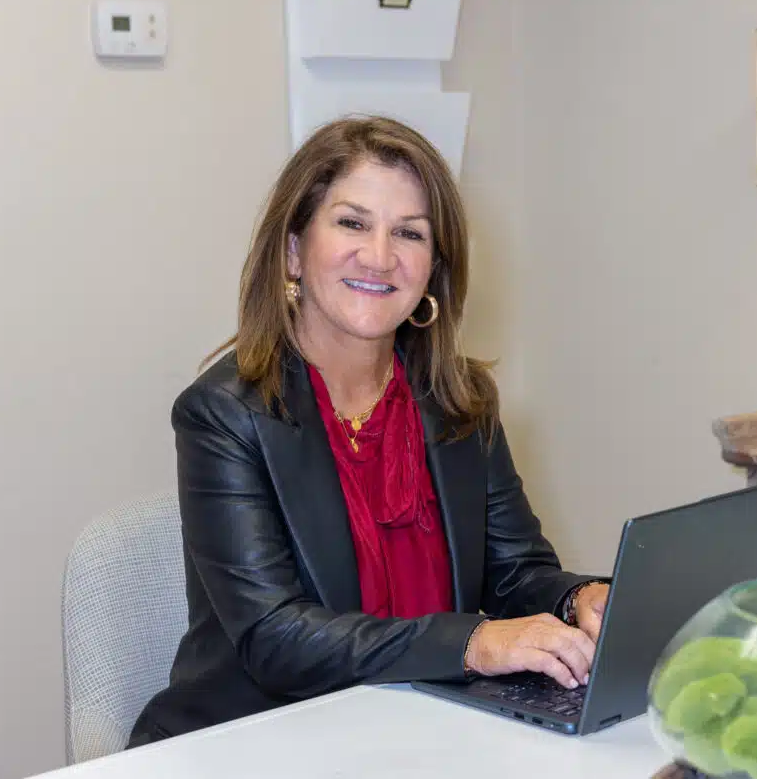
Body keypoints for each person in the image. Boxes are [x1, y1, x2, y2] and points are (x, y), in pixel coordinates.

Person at [128, 116, 610, 747]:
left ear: (432, 270)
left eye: (409, 234)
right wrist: (473, 642)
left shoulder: (461, 400)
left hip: (424, 732)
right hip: (258, 742)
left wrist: (580, 600)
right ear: (295, 249)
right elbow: (275, 638)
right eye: (352, 223)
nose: (380, 257)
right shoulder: (223, 414)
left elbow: (515, 573)